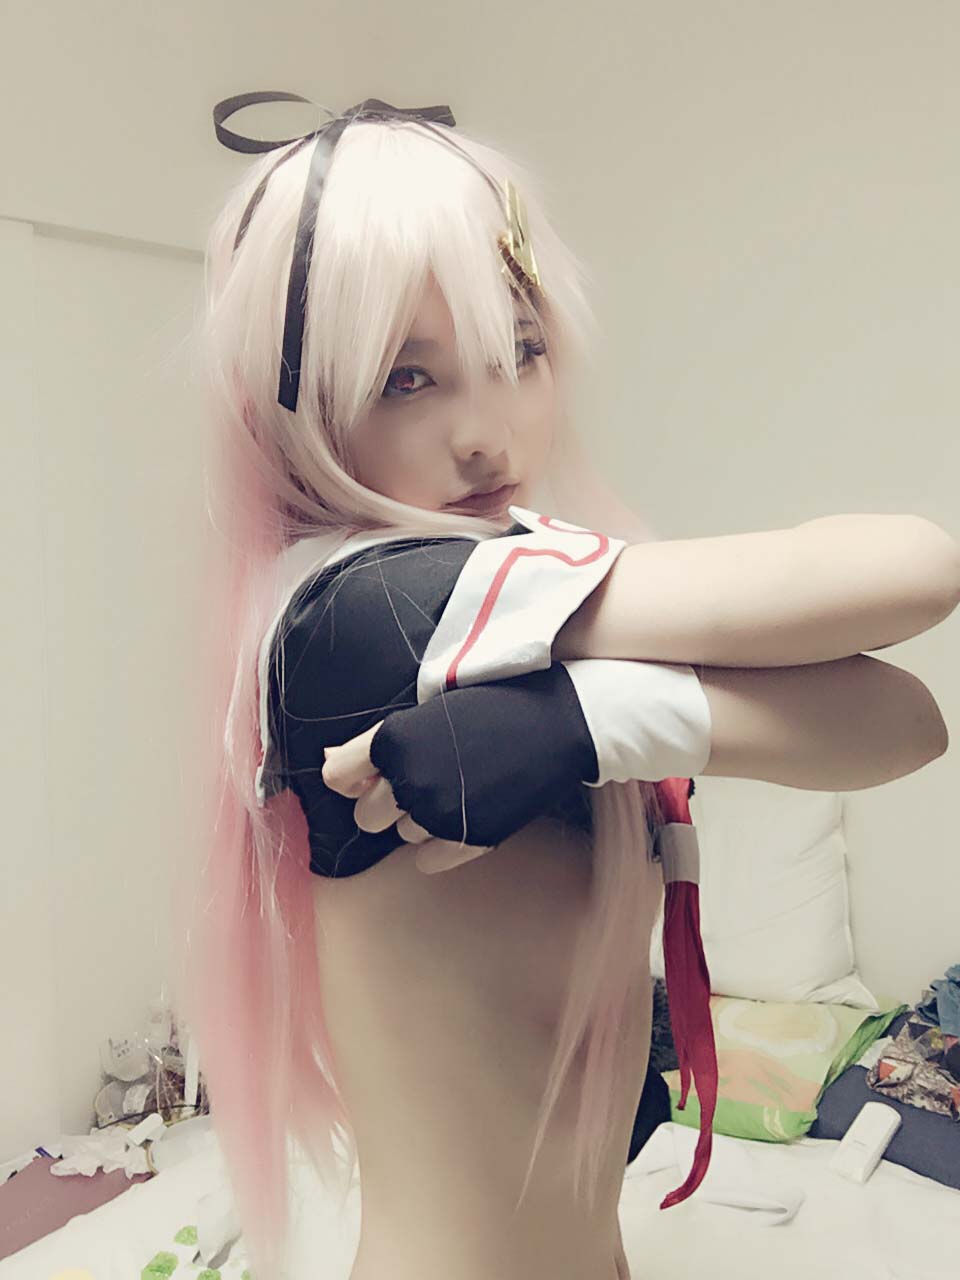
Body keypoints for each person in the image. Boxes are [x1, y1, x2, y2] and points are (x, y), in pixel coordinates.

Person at [179, 92, 959, 1280]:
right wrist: (603, 719)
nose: (486, 433)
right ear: (295, 406)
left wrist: (588, 722)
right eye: (405, 379)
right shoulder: (367, 605)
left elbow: (905, 723)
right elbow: (917, 569)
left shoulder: (508, 577)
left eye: (518, 354)